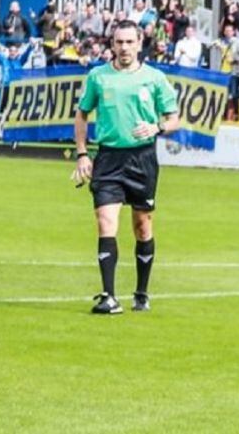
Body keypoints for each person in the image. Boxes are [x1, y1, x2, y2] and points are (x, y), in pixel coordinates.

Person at [71, 20, 180, 315]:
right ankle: (109, 296)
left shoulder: (154, 78)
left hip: (142, 160)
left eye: (129, 42)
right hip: (108, 158)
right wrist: (82, 154)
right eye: (119, 42)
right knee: (105, 221)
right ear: (112, 44)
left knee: (142, 225)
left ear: (139, 43)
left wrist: (156, 126)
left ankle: (141, 292)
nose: (124, 47)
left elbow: (173, 119)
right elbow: (81, 116)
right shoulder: (98, 76)